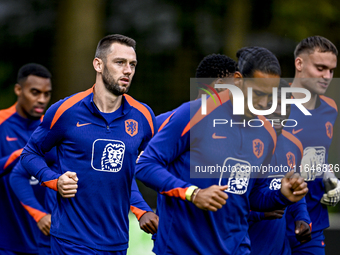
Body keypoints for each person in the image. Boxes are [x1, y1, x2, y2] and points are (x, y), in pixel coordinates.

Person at [135, 46, 308, 254]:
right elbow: (145, 165)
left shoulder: (268, 132)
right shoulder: (193, 113)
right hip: (181, 248)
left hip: (236, 248)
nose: (264, 104)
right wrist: (193, 193)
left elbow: (251, 196)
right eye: (258, 93)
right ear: (237, 80)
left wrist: (281, 194)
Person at [21, 34, 158, 254]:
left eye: (132, 64)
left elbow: (134, 171)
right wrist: (54, 180)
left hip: (118, 242)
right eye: (120, 62)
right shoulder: (65, 111)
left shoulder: (144, 116)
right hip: (71, 240)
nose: (128, 70)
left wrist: (143, 210)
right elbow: (29, 154)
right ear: (98, 64)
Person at [284, 35, 338, 255]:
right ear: (299, 64)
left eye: (331, 70)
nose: (327, 76)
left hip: (314, 226)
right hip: (274, 223)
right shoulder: (272, 106)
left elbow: (318, 157)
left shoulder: (331, 108)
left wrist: (331, 178)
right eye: (320, 68)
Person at [248, 79, 312, 255]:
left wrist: (302, 218)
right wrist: (259, 215)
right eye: (271, 104)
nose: (278, 111)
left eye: (285, 104)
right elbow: (227, 208)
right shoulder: (240, 146)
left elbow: (295, 190)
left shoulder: (295, 145)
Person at [0, 63, 52, 254]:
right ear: (18, 90)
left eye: (46, 94)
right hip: (6, 240)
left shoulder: (52, 129)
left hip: (44, 238)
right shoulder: (1, 123)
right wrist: (19, 155)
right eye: (35, 92)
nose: (41, 99)